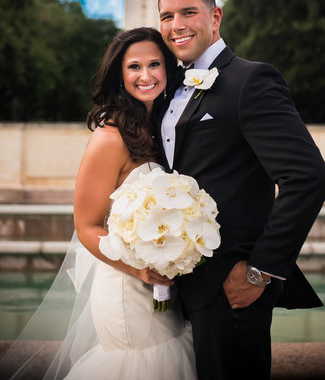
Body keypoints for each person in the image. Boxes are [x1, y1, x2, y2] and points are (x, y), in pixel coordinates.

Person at [157, 0, 325, 380]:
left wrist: (258, 271)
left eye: (188, 12)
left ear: (215, 17)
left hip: (231, 288)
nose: (176, 24)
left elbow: (308, 179)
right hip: (186, 286)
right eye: (167, 16)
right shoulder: (168, 89)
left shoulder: (250, 80)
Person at [1, 27, 196, 380]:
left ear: (168, 69)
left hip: (161, 284)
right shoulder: (109, 138)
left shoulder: (161, 130)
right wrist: (138, 269)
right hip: (126, 286)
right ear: (120, 76)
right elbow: (86, 226)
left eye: (155, 64)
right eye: (134, 67)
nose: (146, 75)